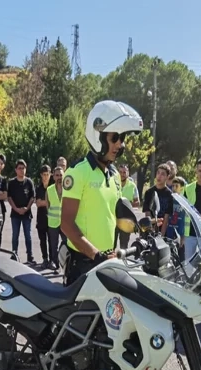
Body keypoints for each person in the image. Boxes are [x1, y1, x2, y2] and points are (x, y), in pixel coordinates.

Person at [61, 100, 143, 285]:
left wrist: (141, 226)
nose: (120, 145)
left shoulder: (114, 175)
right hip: (83, 264)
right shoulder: (77, 172)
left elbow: (113, 215)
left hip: (106, 261)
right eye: (115, 138)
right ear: (98, 135)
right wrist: (96, 255)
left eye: (122, 139)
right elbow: (66, 223)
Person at [7, 159, 36, 265]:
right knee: (15, 235)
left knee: (28, 236)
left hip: (26, 214)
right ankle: (14, 254)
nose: (21, 170)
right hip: (15, 214)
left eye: (23, 168)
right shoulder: (11, 183)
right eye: (19, 168)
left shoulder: (29, 182)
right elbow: (9, 197)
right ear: (16, 170)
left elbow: (32, 197)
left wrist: (26, 208)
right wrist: (16, 209)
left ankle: (30, 256)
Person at [142, 164, 174, 237]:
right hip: (149, 230)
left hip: (163, 232)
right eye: (158, 173)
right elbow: (147, 214)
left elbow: (166, 218)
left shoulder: (169, 195)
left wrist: (161, 236)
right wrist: (151, 231)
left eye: (163, 174)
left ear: (167, 177)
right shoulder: (148, 192)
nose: (159, 176)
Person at [115, 164, 140, 250]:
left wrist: (127, 204)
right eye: (120, 172)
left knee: (124, 246)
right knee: (111, 245)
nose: (122, 174)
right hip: (113, 219)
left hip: (126, 220)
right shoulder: (112, 183)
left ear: (128, 173)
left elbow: (137, 202)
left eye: (124, 172)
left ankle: (123, 262)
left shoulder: (132, 186)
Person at [47, 166, 67, 270]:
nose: (59, 177)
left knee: (67, 244)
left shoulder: (68, 189)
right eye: (57, 175)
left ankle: (66, 263)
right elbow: (48, 206)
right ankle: (54, 262)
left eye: (61, 175)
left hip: (65, 222)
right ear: (53, 176)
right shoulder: (49, 190)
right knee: (53, 245)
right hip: (53, 222)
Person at [35, 165, 52, 268]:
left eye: (47, 174)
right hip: (41, 218)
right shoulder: (38, 188)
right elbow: (38, 203)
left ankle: (52, 260)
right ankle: (45, 259)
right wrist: (48, 202)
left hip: (51, 219)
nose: (46, 177)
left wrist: (44, 202)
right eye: (44, 175)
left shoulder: (53, 187)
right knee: (42, 240)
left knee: (52, 241)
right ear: (41, 175)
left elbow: (56, 202)